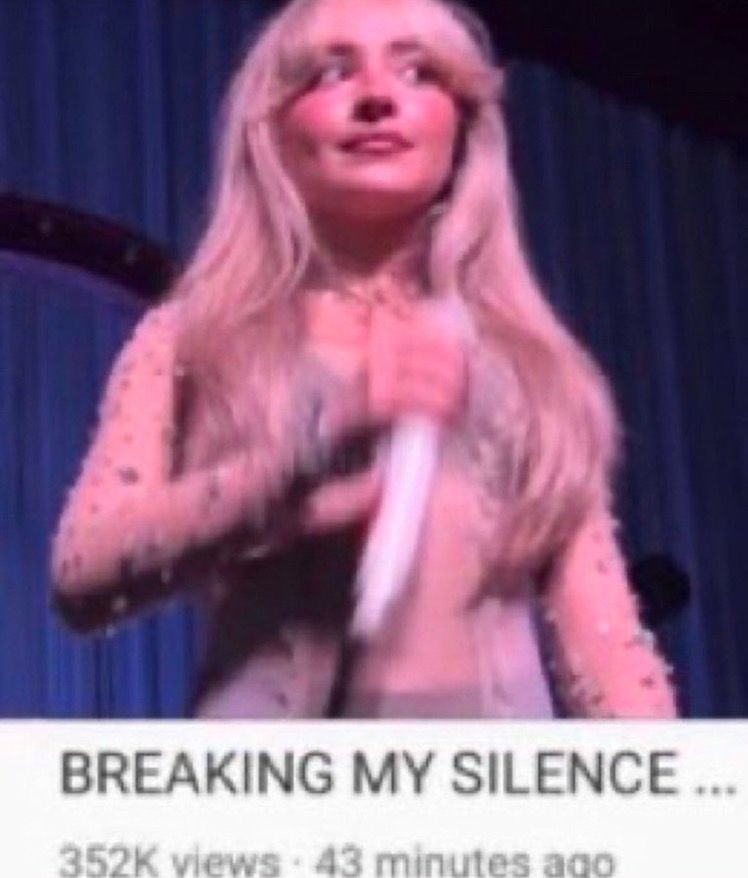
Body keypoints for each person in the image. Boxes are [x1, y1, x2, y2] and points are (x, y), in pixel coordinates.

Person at [50, 0, 677, 719]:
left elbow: (611, 658)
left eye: (418, 72)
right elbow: (82, 574)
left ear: (465, 128)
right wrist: (300, 462)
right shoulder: (190, 338)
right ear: (272, 132)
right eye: (330, 73)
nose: (377, 96)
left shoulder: (534, 367)